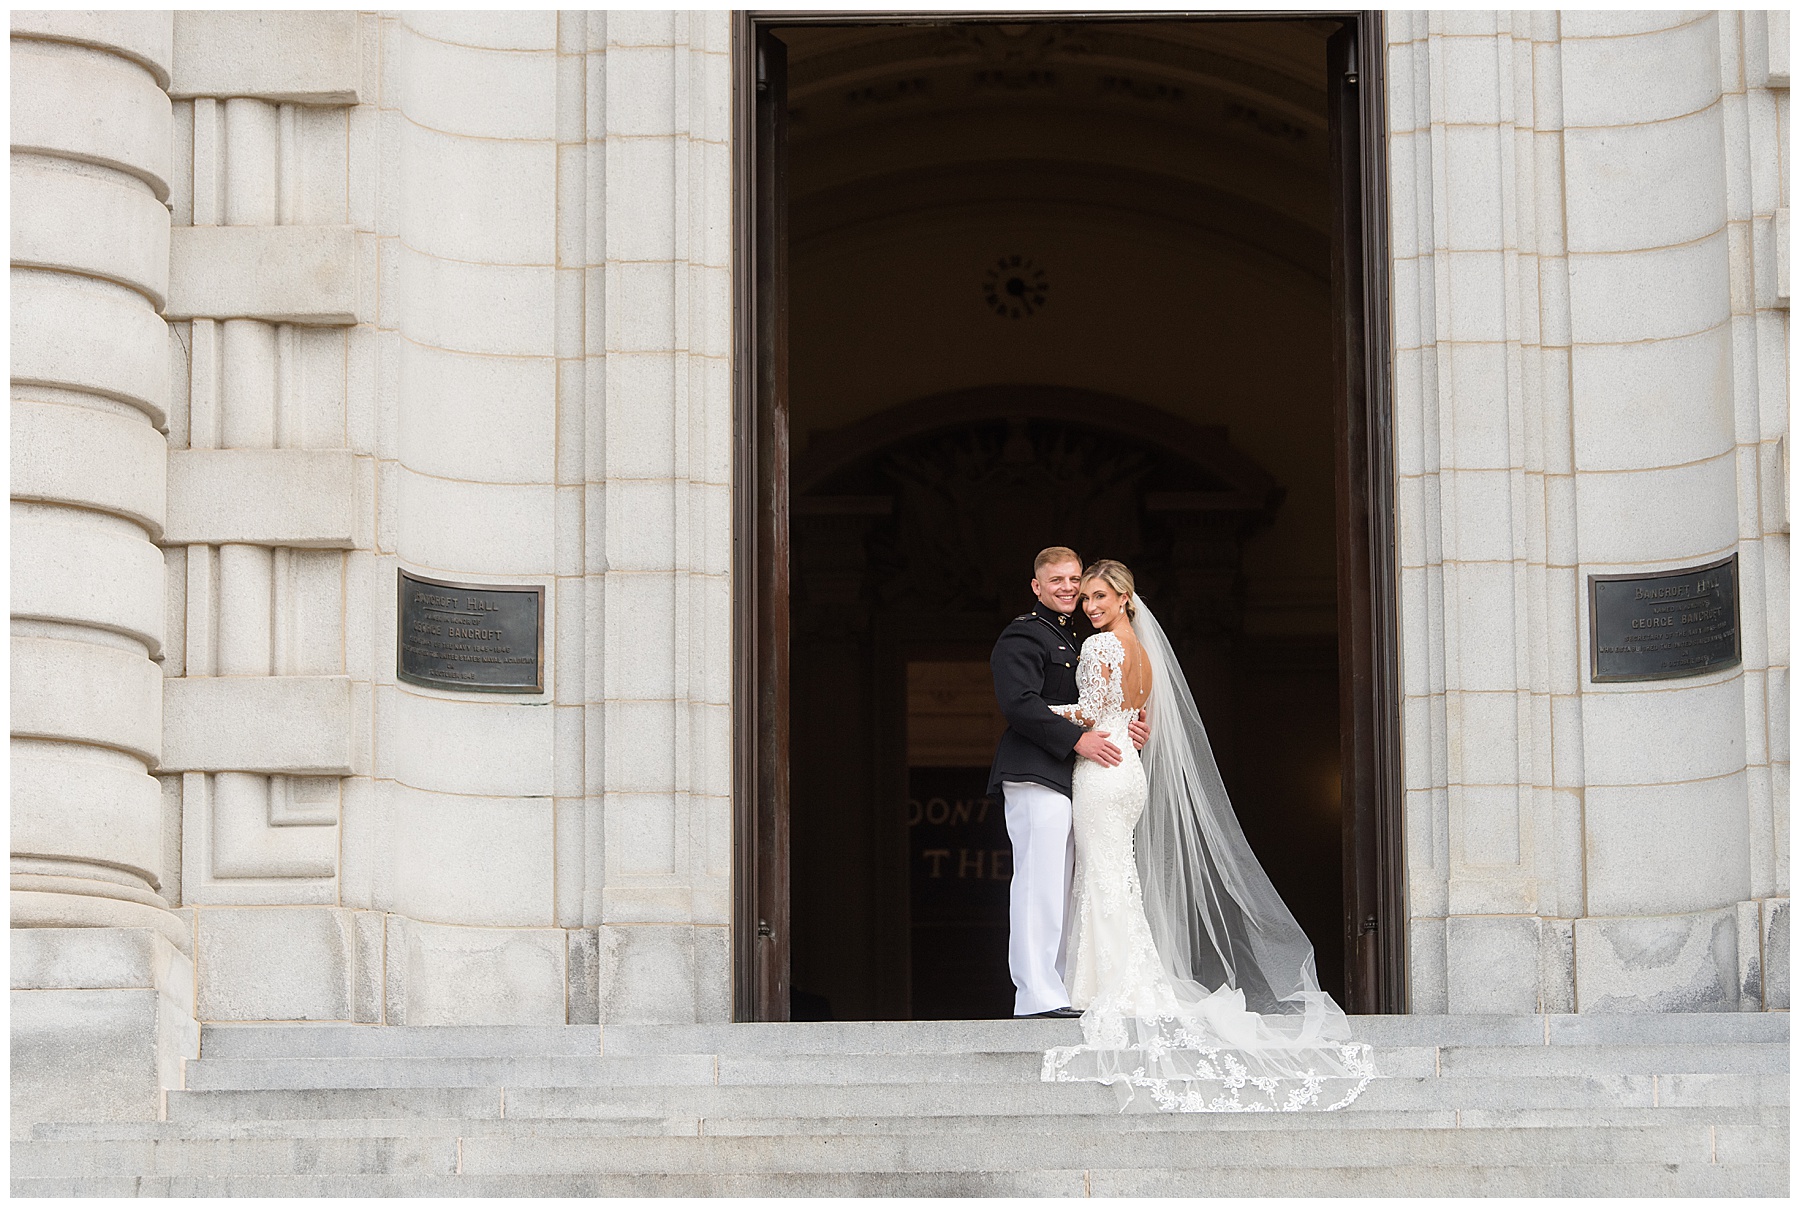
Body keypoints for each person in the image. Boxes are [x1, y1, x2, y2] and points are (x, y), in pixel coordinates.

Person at [1042, 559, 1376, 1111]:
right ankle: (1117, 977)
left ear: (1124, 597)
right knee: (1116, 875)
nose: (1091, 607)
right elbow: (1131, 714)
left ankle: (1103, 985)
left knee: (1103, 875)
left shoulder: (1101, 647)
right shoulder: (1143, 652)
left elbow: (1093, 712)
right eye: (1087, 599)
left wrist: (1035, 710)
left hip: (1102, 769)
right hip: (1130, 768)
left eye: (1101, 597)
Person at [987, 547, 1147, 1019]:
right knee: (1038, 883)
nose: (1068, 588)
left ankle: (1056, 988)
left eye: (1074, 579)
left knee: (1061, 885)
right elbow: (1018, 703)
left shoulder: (1078, 638)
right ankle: (1035, 994)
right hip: (1034, 771)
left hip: (1070, 777)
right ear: (1037, 586)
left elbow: (1098, 702)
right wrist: (1078, 741)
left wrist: (1127, 722)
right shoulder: (1022, 634)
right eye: (1057, 580)